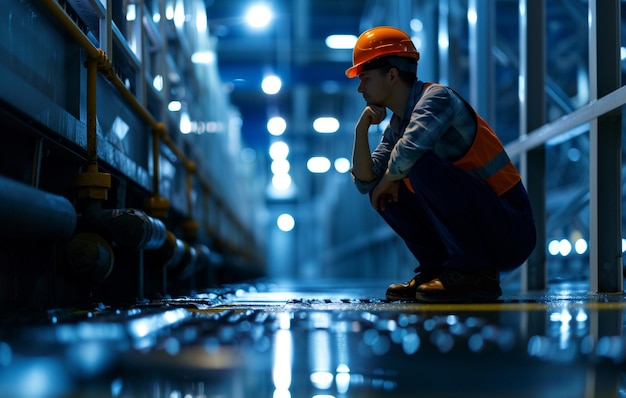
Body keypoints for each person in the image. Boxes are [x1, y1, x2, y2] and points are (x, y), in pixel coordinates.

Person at [345, 26, 536, 302]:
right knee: (383, 193)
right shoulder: (398, 123)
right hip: (484, 224)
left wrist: (389, 179)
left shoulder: (437, 99)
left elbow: (410, 151)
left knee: (419, 167)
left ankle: (474, 275)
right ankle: (437, 270)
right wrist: (361, 129)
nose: (360, 88)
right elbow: (366, 181)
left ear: (391, 75)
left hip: (510, 228)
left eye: (365, 78)